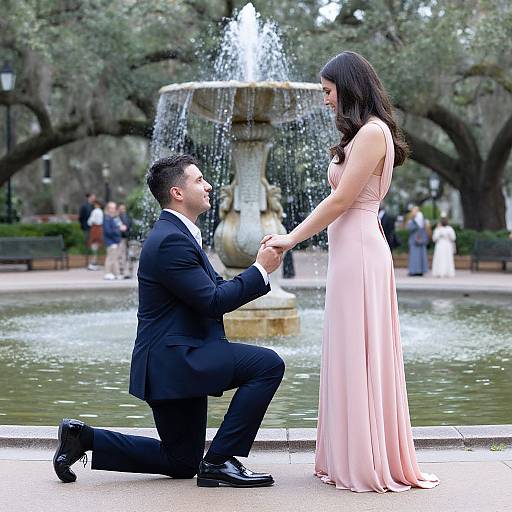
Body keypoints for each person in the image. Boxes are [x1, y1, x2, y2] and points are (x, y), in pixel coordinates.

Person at [263, 51, 439, 492]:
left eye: (327, 91)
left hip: (361, 251)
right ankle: (347, 455)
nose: (324, 100)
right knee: (347, 350)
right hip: (349, 251)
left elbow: (341, 202)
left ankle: (366, 460)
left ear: (349, 88)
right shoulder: (361, 134)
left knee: (360, 350)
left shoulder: (374, 134)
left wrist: (290, 237)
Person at [53, 154, 284, 488]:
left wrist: (257, 268)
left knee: (181, 461)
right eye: (199, 180)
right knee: (267, 365)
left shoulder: (177, 234)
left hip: (173, 361)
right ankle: (220, 460)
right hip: (176, 360)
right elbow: (213, 301)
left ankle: (84, 438)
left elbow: (215, 288)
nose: (208, 186)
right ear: (177, 193)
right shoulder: (172, 240)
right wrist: (260, 269)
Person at [103, 201, 124, 280]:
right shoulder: (107, 218)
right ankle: (107, 273)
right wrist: (118, 229)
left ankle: (116, 273)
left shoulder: (114, 218)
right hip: (111, 242)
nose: (113, 209)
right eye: (111, 208)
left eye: (114, 208)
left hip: (115, 241)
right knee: (110, 258)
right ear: (108, 209)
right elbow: (108, 231)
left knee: (115, 258)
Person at [407, 206, 430, 276]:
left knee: (421, 256)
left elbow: (425, 229)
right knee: (414, 256)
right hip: (414, 240)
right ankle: (413, 271)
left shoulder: (422, 219)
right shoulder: (412, 220)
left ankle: (420, 271)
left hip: (420, 240)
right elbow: (409, 228)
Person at [78, 193, 96, 263]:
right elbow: (80, 217)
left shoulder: (94, 206)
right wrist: (83, 226)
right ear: (89, 197)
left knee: (93, 243)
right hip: (86, 228)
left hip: (94, 228)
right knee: (87, 242)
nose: (94, 199)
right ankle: (86, 258)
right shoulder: (84, 206)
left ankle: (93, 258)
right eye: (93, 197)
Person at [86, 200, 103, 271]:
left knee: (94, 245)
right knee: (97, 245)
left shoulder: (95, 211)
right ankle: (94, 262)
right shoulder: (101, 211)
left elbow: (90, 222)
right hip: (99, 229)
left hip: (95, 228)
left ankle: (93, 262)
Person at [117, 203, 132, 278]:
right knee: (121, 253)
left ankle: (126, 270)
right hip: (120, 238)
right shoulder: (117, 217)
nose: (122, 210)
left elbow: (129, 224)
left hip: (126, 237)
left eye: (123, 208)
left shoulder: (127, 216)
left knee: (126, 254)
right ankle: (121, 269)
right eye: (121, 208)